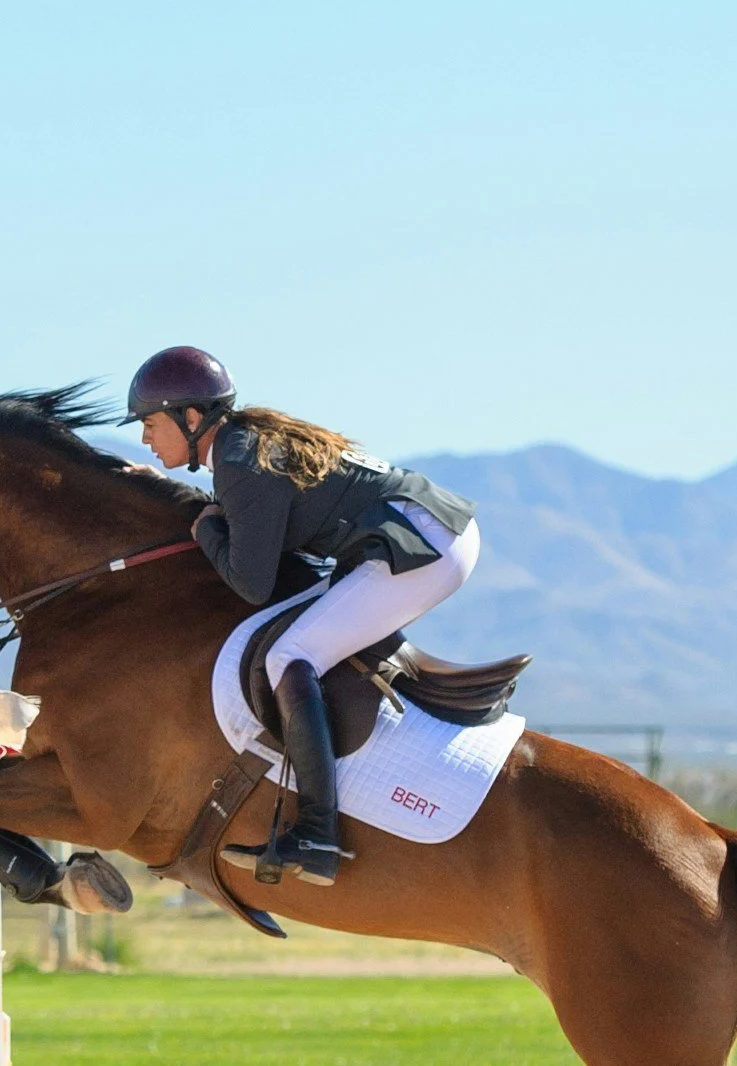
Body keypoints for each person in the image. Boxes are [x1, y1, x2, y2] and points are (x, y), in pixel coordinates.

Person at [125, 345, 481, 886]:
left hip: (422, 543)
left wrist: (203, 531)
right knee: (306, 641)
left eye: (151, 423)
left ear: (190, 417)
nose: (146, 437)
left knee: (291, 654)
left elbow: (251, 583)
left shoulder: (241, 459)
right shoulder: (244, 447)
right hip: (426, 532)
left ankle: (317, 833)